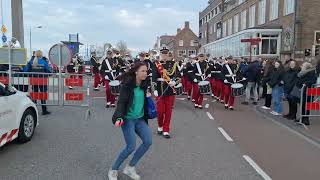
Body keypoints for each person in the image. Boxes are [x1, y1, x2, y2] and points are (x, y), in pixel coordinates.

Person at [109, 62, 152, 180]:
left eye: (146, 71)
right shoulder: (127, 85)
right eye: (143, 71)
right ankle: (113, 169)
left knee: (148, 141)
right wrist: (118, 117)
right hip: (128, 119)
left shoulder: (145, 85)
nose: (145, 73)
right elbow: (121, 103)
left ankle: (130, 167)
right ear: (136, 72)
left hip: (140, 118)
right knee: (130, 146)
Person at [152, 47, 179, 138]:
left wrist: (175, 81)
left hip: (170, 90)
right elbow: (154, 77)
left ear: (168, 54)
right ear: (160, 54)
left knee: (168, 111)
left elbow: (178, 76)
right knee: (160, 111)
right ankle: (160, 126)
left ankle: (166, 129)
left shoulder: (173, 64)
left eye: (166, 53)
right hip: (159, 90)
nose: (164, 55)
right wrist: (155, 89)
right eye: (162, 53)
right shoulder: (156, 64)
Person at [24, 50, 51, 115]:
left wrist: (30, 74)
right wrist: (47, 74)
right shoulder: (44, 62)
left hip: (34, 81)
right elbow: (49, 70)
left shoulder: (31, 62)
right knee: (43, 95)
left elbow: (25, 70)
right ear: (41, 55)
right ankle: (44, 110)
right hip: (43, 81)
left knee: (34, 95)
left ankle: (34, 111)